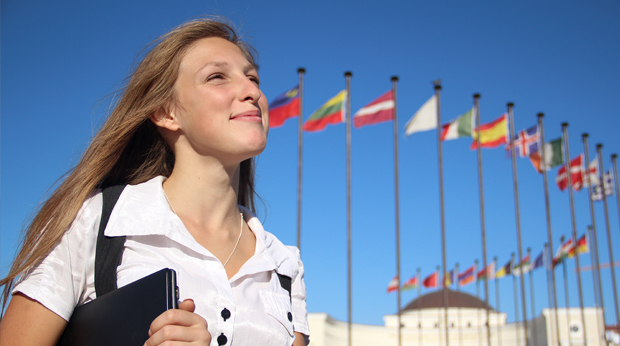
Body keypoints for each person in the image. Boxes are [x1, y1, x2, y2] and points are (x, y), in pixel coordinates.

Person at [0, 17, 309, 346]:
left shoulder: (284, 264)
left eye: (253, 77)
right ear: (166, 112)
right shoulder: (94, 222)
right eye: (217, 77)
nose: (253, 91)